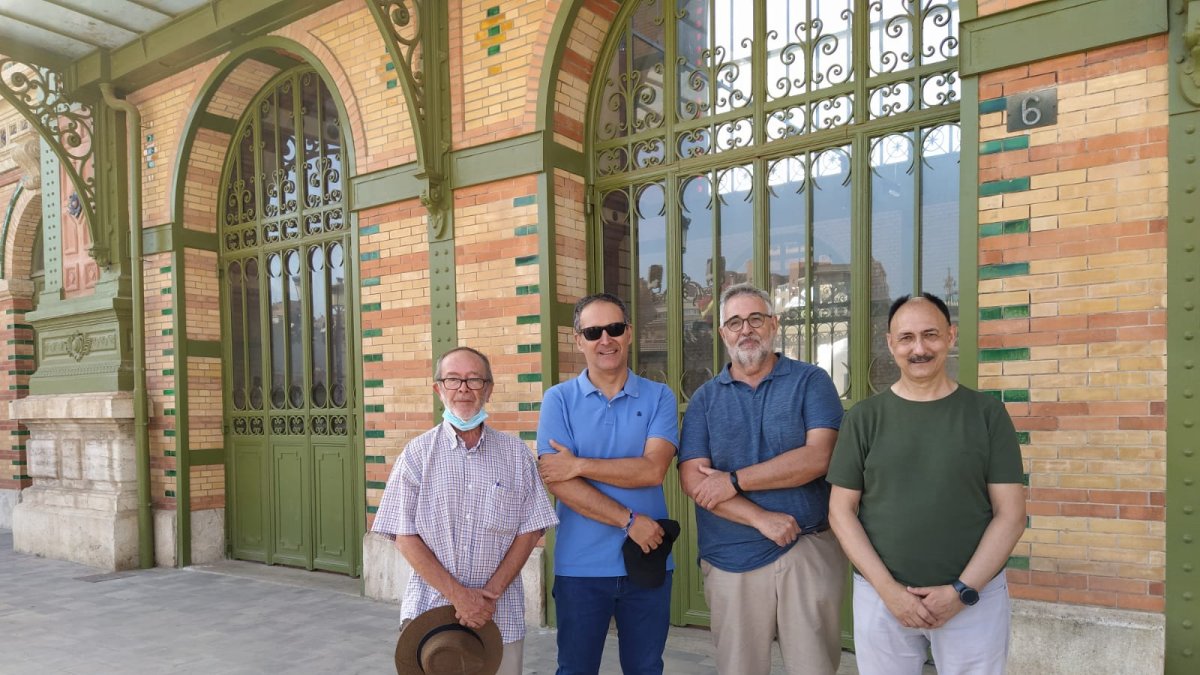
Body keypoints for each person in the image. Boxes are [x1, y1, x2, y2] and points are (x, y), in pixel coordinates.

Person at [827, 293, 1026, 675]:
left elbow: (1011, 515)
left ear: (951, 336)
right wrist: (889, 591)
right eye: (906, 338)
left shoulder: (987, 415)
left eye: (930, 335)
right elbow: (840, 511)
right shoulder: (865, 419)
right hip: (882, 599)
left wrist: (961, 591)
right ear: (890, 344)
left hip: (974, 599)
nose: (919, 348)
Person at [678, 282, 848, 675]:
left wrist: (733, 480)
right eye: (734, 322)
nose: (746, 330)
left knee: (814, 668)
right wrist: (761, 519)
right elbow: (694, 481)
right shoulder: (704, 398)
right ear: (722, 333)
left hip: (806, 547)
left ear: (773, 324)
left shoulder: (811, 381)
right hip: (731, 556)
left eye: (755, 318)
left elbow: (818, 457)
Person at [373, 346, 558, 675]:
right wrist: (460, 597)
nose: (463, 389)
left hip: (498, 614)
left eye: (474, 380)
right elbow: (403, 535)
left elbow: (530, 530)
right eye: (453, 380)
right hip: (431, 615)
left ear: (488, 389)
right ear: (438, 389)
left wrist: (489, 596)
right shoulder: (416, 455)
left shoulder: (515, 454)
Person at [536, 292, 678, 675]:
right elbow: (557, 480)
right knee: (575, 670)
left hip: (647, 562)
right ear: (578, 340)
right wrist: (629, 521)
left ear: (629, 333)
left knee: (646, 669)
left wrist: (579, 464)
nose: (605, 339)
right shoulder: (558, 400)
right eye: (593, 331)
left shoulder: (659, 396)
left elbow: (652, 470)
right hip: (580, 567)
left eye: (614, 328)